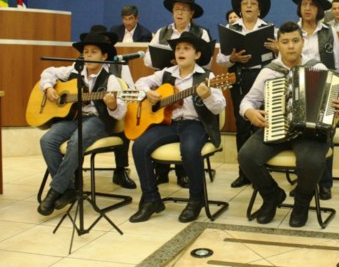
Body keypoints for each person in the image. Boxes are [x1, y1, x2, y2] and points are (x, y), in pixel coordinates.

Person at [238, 21, 339, 227]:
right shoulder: (269, 71)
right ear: (278, 44)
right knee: (246, 157)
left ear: (302, 42)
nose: (290, 46)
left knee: (312, 162)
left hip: (310, 132)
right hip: (276, 127)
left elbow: (336, 100)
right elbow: (247, 101)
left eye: (295, 41)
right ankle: (271, 196)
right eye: (285, 42)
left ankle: (301, 204)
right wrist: (250, 112)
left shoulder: (317, 68)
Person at [128, 32, 226, 223]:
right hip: (169, 123)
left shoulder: (207, 77)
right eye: (178, 48)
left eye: (186, 49)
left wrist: (207, 96)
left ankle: (195, 200)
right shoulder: (166, 73)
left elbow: (220, 106)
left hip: (195, 124)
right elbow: (140, 83)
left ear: (197, 55)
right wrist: (149, 93)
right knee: (139, 146)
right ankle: (151, 199)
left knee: (189, 150)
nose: (181, 52)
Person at [37, 32, 127, 215]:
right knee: (47, 141)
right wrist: (47, 88)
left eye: (94, 52)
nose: (89, 56)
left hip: (98, 121)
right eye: (86, 52)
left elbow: (120, 112)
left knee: (76, 141)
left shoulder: (110, 80)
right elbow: (48, 72)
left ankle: (55, 190)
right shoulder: (73, 71)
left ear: (104, 56)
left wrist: (112, 104)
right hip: (73, 118)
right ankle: (69, 188)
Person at [144, 0, 213, 187]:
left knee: (185, 120)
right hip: (164, 84)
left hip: (190, 83)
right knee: (162, 120)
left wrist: (186, 63)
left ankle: (184, 173)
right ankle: (161, 171)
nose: (179, 12)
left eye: (183, 9)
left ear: (192, 13)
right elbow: (148, 59)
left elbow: (206, 63)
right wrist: (169, 63)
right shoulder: (161, 32)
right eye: (176, 9)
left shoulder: (202, 33)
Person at [216, 0, 276, 188]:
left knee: (264, 123)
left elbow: (283, 59)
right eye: (244, 4)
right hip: (240, 80)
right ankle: (244, 172)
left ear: (260, 10)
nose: (248, 6)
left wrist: (277, 49)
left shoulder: (270, 30)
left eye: (253, 3)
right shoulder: (231, 29)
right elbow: (220, 60)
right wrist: (232, 58)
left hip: (266, 80)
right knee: (242, 127)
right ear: (239, 9)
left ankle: (262, 169)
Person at [292, 0, 339, 200]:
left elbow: (338, 62)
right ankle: (303, 180)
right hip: (296, 90)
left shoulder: (328, 31)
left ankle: (325, 182)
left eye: (312, 5)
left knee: (325, 134)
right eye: (304, 4)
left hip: (324, 88)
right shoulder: (291, 30)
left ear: (318, 10)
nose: (307, 8)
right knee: (298, 134)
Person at [79, 25, 137, 189]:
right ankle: (74, 174)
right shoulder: (80, 67)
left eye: (105, 42)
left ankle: (120, 170)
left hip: (112, 110)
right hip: (83, 114)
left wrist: (115, 101)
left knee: (123, 125)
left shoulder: (119, 65)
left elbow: (130, 89)